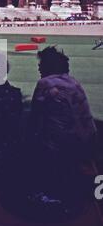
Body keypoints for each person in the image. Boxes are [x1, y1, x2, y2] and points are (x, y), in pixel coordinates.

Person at [28, 46, 97, 199]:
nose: (39, 67)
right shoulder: (74, 82)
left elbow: (34, 116)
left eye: (42, 63)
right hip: (86, 140)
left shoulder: (45, 84)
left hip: (60, 147)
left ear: (48, 66)